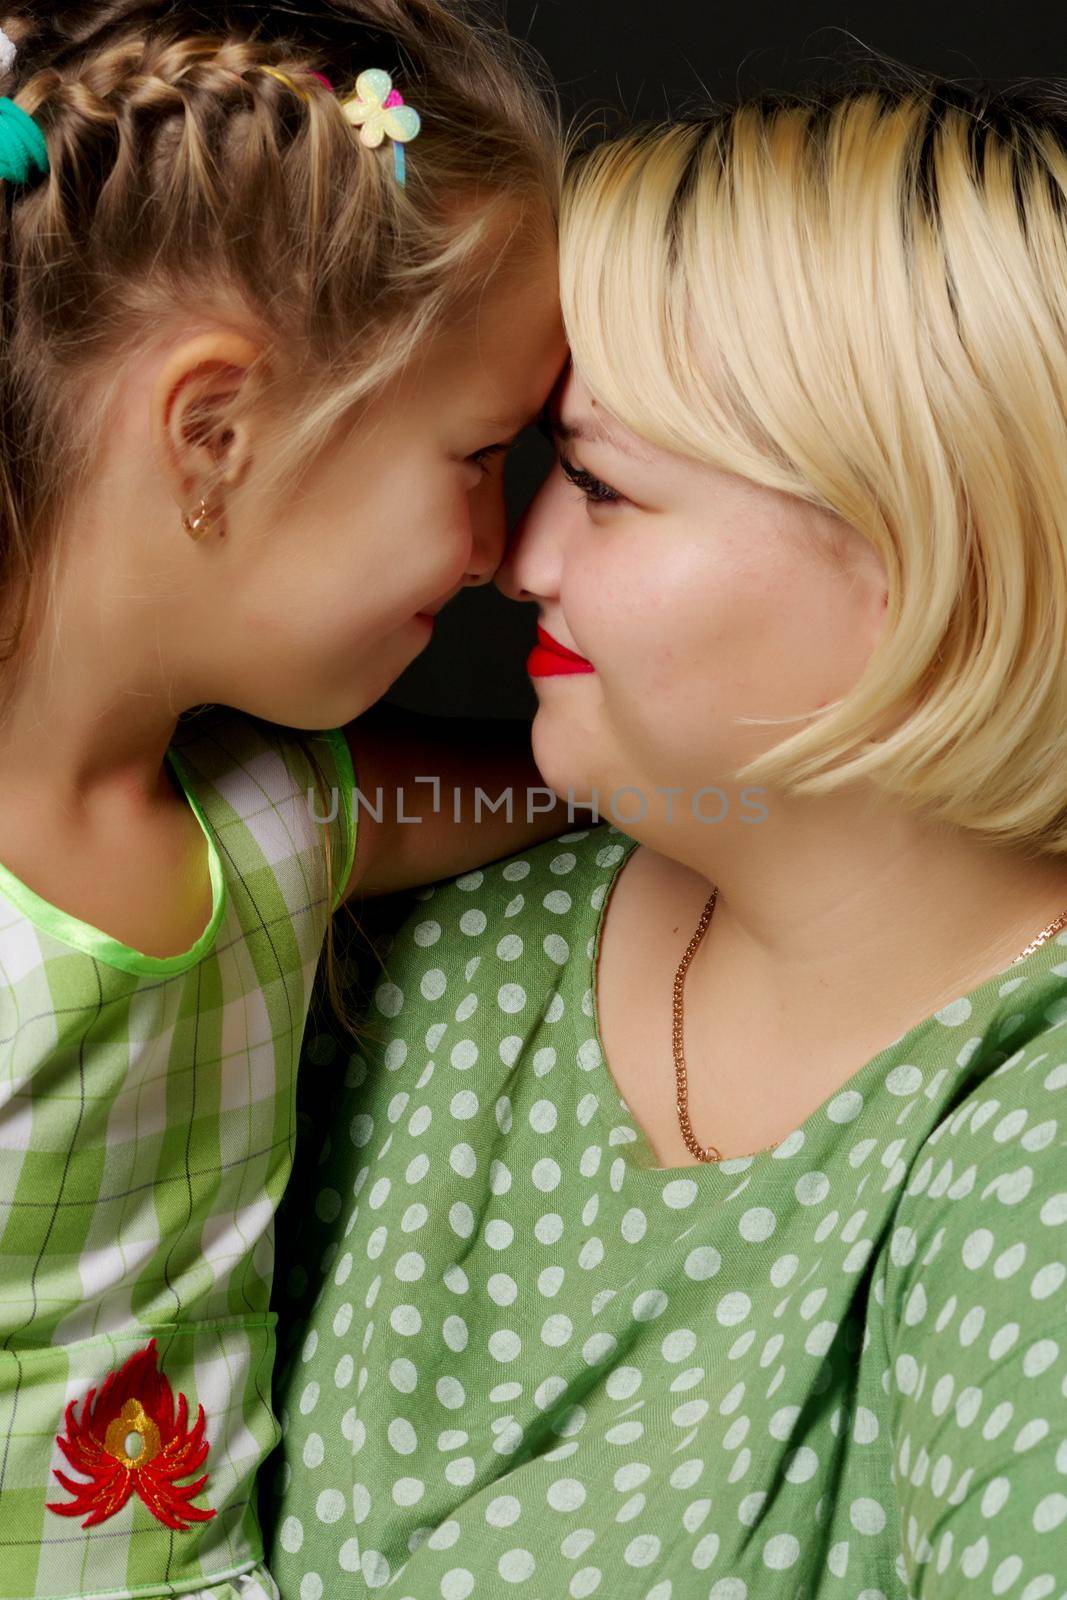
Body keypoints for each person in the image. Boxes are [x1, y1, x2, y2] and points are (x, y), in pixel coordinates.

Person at [262, 68, 1067, 1598]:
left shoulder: (1035, 1145)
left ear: (928, 561)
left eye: (602, 486)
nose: (517, 562)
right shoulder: (453, 945)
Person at [0, 4, 577, 1598]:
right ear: (215, 429)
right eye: (475, 455)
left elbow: (571, 797)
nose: (497, 550)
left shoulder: (267, 820)